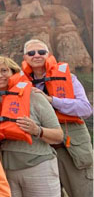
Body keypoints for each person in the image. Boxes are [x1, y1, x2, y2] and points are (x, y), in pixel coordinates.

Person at [0, 56, 63, 197]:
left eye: (4, 70)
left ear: (14, 73)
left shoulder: (33, 96)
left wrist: (37, 130)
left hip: (38, 168)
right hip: (6, 173)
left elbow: (59, 135)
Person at [21, 39, 93, 197]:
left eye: (41, 52)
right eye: (31, 53)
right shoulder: (21, 84)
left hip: (72, 147)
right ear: (25, 58)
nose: (37, 55)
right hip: (41, 149)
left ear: (49, 55)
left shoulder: (69, 78)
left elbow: (86, 109)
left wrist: (52, 100)